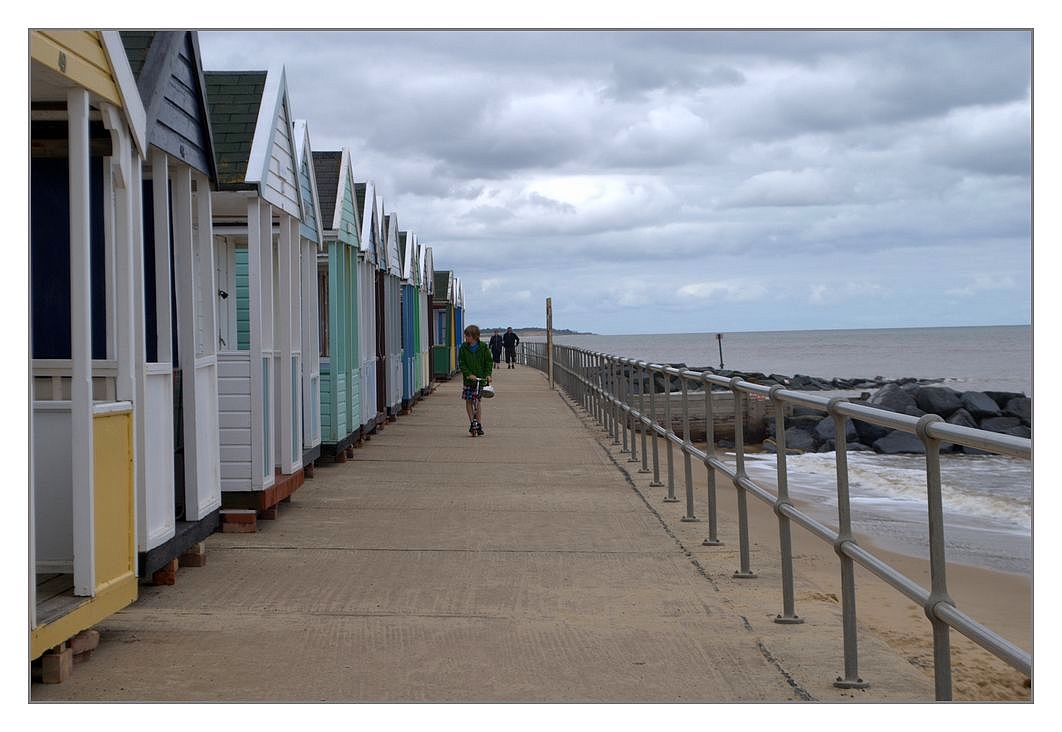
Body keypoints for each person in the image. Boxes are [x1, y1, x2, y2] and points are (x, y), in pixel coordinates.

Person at [458, 324, 493, 436]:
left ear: (475, 336)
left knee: (477, 401)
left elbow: (488, 362)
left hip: (480, 379)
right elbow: (462, 363)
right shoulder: (464, 347)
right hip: (469, 380)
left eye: (468, 336)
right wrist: (468, 374)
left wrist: (488, 374)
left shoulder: (483, 347)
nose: (466, 338)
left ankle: (479, 423)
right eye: (466, 336)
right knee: (469, 400)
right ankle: (472, 423)